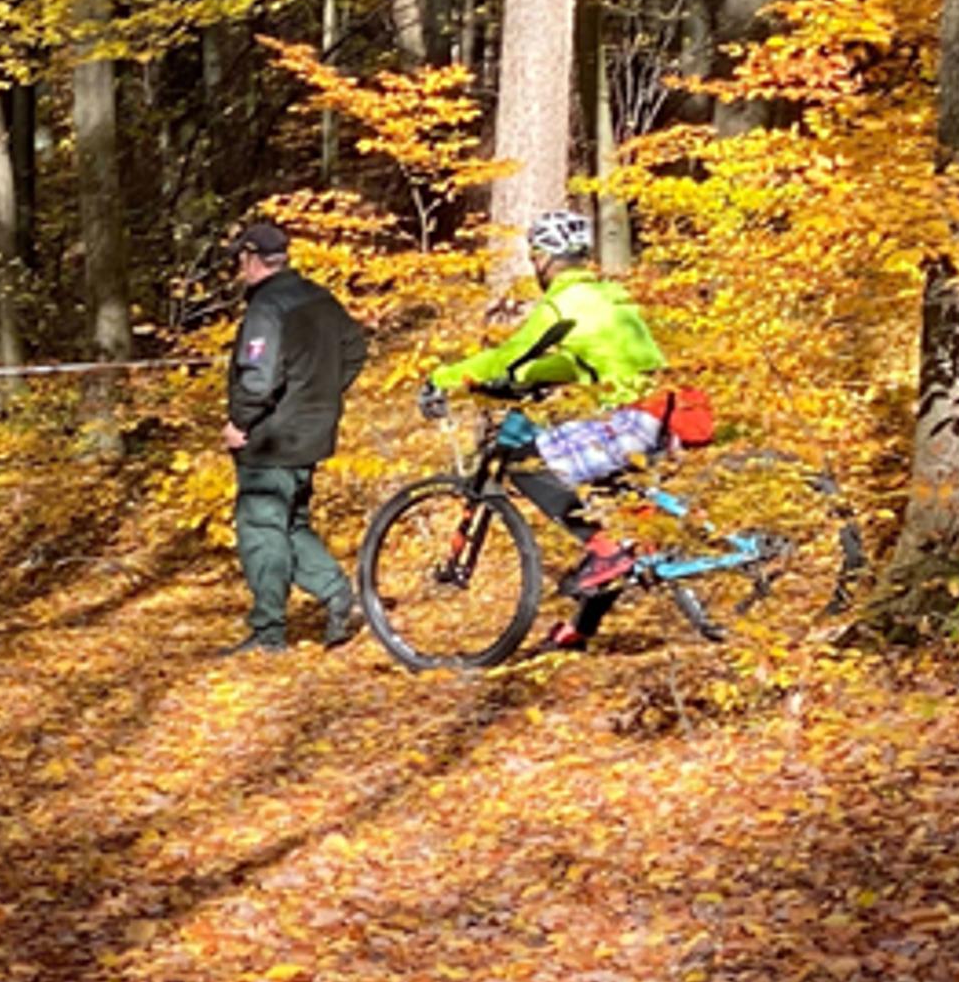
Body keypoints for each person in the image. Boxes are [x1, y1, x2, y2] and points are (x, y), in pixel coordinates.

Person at [425, 208, 666, 651]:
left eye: (534, 256)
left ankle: (606, 551)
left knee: (526, 464)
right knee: (618, 522)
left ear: (543, 258)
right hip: (658, 413)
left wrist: (445, 378)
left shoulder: (561, 303)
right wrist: (529, 376)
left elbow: (509, 354)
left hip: (630, 421)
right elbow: (578, 363)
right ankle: (579, 631)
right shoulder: (609, 296)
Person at [222, 219, 369, 655]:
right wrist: (320, 395)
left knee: (262, 528)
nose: (239, 268)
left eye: (240, 259)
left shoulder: (267, 308)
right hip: (312, 435)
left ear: (252, 259)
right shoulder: (320, 298)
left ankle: (268, 632)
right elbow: (355, 349)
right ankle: (339, 596)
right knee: (292, 524)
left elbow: (258, 379)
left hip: (271, 440)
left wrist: (240, 423)